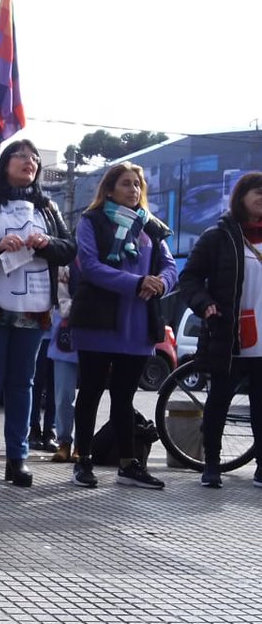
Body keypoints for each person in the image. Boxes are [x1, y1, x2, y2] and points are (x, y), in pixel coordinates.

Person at [0, 139, 76, 486]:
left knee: (23, 383)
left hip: (34, 307)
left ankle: (17, 458)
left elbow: (69, 249)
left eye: (35, 157)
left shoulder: (48, 207)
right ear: (5, 162)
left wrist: (47, 244)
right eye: (21, 156)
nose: (30, 161)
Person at [69, 161, 177, 490]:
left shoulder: (151, 228)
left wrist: (159, 283)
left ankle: (129, 464)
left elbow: (171, 267)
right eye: (126, 184)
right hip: (98, 322)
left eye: (137, 185)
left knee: (124, 397)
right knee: (89, 393)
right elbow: (89, 266)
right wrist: (136, 282)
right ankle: (83, 460)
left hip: (138, 325)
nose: (134, 190)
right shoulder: (91, 221)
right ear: (110, 188)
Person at [179, 171, 262, 488]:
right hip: (231, 334)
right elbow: (189, 279)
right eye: (258, 191)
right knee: (219, 401)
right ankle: (211, 463)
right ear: (241, 196)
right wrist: (205, 304)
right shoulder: (218, 236)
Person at [46, 265, 79, 463]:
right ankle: (64, 441)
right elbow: (63, 304)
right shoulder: (65, 266)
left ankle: (82, 444)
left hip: (97, 332)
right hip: (67, 337)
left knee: (89, 397)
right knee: (63, 395)